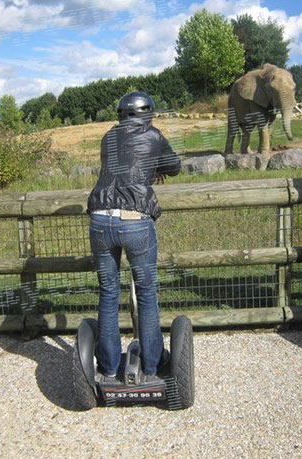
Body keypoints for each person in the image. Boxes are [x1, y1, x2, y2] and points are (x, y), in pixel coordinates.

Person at [87, 91, 181, 381]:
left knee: (108, 292)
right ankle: (153, 365)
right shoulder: (153, 135)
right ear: (148, 112)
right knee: (146, 292)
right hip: (135, 221)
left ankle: (110, 367)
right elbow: (174, 166)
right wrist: (153, 168)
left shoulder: (108, 137)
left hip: (100, 219)